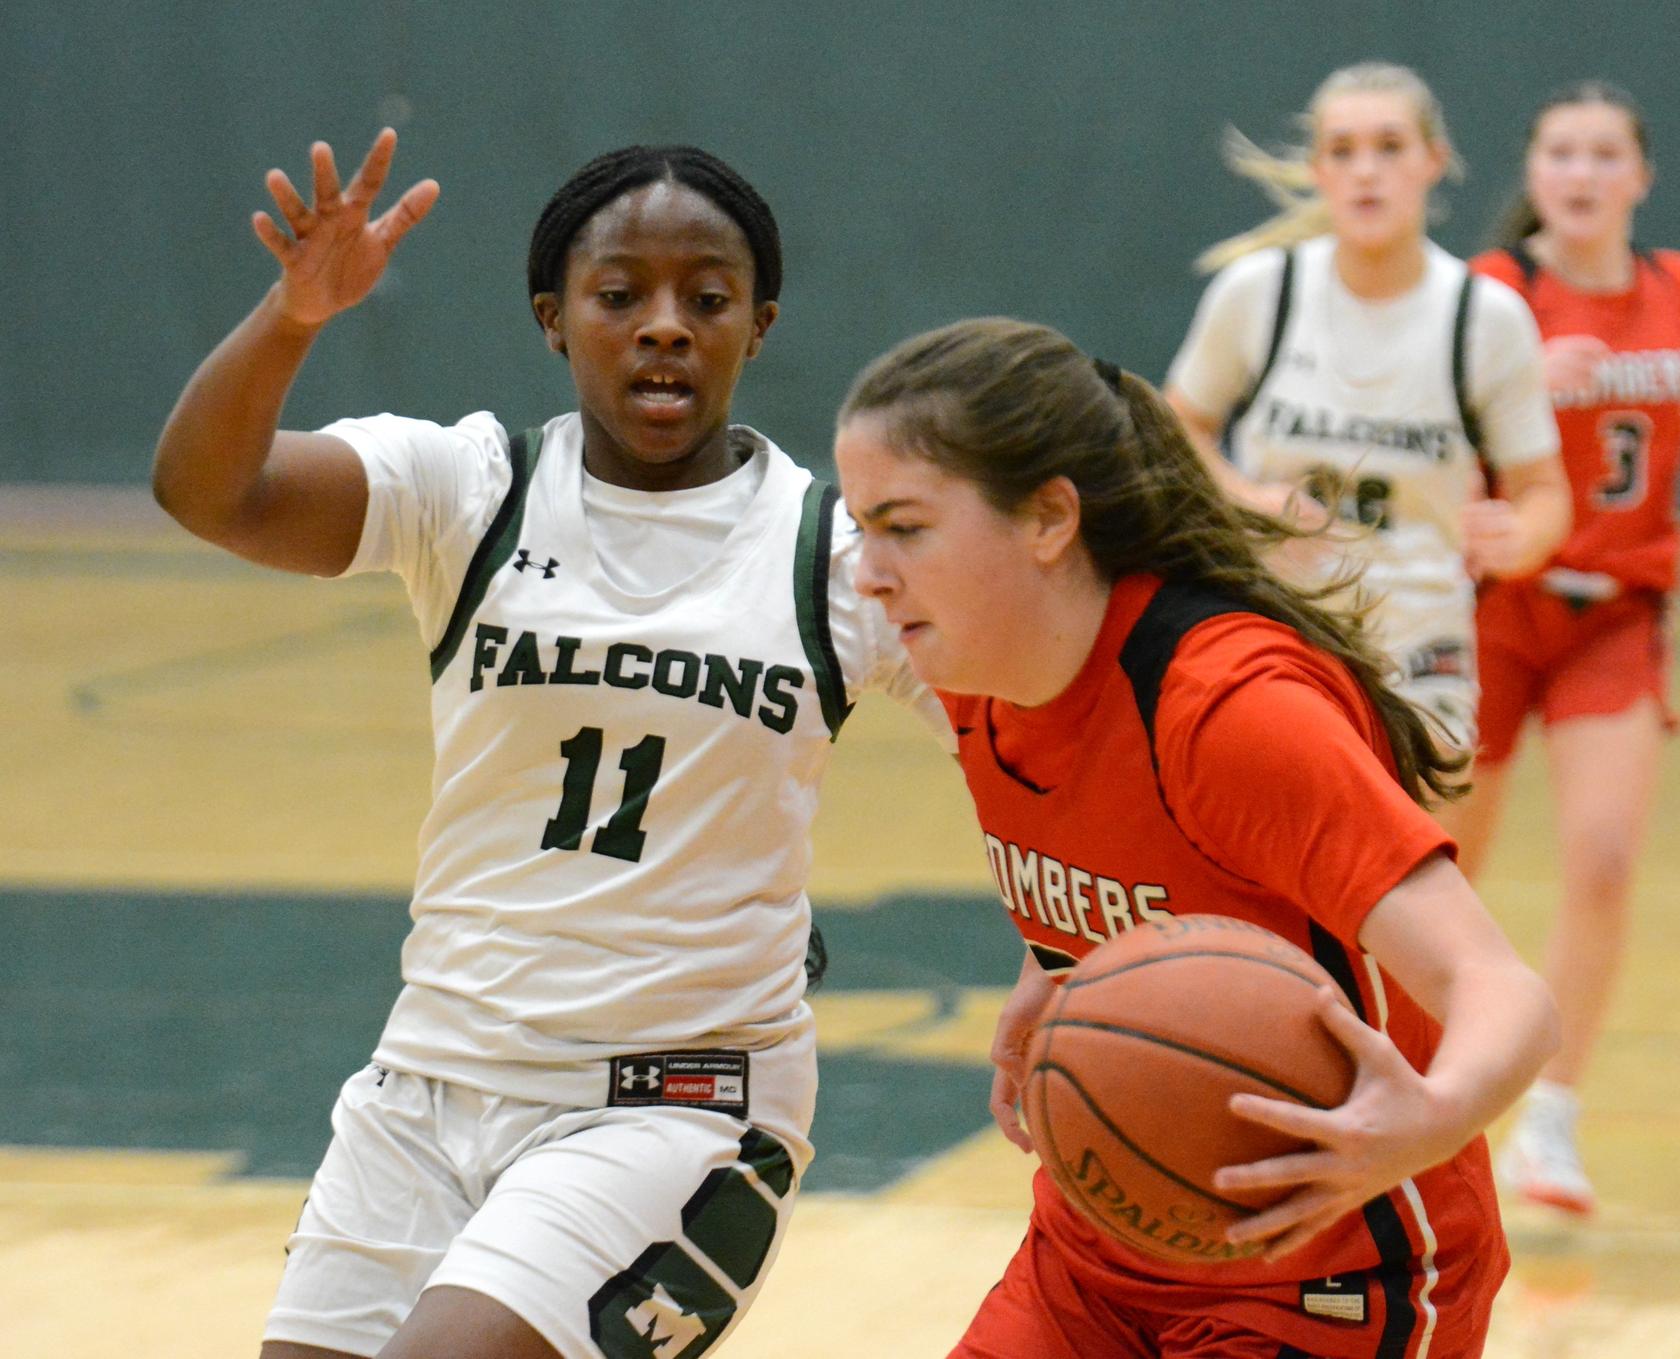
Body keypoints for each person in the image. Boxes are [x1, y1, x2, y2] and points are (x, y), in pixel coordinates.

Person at [151, 129, 946, 1359]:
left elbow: (1029, 734)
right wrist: (293, 315)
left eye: (708, 298)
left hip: (673, 1107)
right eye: (621, 296)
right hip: (425, 1085)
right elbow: (213, 492)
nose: (665, 325)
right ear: (553, 318)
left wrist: (1064, 953)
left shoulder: (835, 556)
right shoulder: (470, 487)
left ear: (761, 325)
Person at [834, 316, 1560, 1359]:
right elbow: (1154, 871)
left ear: (1047, 519)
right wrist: (1060, 969)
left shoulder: (1229, 712)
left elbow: (1504, 994)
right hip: (1101, 1245)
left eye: (903, 527)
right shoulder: (978, 678)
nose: (869, 572)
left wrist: (1429, 1116)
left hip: (1326, 1270)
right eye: (863, 529)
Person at [1444, 81, 1680, 1215]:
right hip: (1495, 606)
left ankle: (1550, 1122)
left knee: (1602, 859)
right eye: (1562, 152)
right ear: (1535, 171)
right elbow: (1426, 416)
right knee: (1443, 868)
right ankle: (1422, 1082)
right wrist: (1506, 392)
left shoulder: (1676, 284)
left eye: (1607, 154)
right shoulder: (1498, 291)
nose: (1583, 172)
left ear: (1639, 177)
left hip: (1619, 608)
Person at [1163, 62, 1572, 750]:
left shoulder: (1484, 316)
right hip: (1275, 628)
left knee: (1410, 852)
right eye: (1343, 151)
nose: (1366, 172)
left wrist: (1520, 537)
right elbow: (1178, 429)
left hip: (1418, 643)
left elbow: (1545, 495)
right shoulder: (1261, 293)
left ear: (1434, 161)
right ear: (1319, 169)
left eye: (1389, 147)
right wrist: (1249, 496)